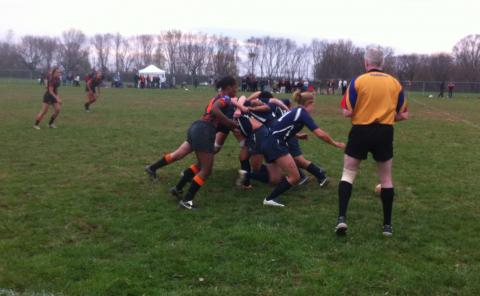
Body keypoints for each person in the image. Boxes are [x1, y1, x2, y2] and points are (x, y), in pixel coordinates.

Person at [336, 45, 409, 237]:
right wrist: (386, 117)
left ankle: (342, 219)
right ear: (382, 63)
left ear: (366, 62)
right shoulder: (395, 83)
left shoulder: (358, 81)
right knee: (386, 178)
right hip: (384, 132)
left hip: (360, 130)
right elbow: (404, 115)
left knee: (348, 173)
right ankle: (387, 226)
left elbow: (347, 112)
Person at [144, 76, 246, 210]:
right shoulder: (225, 98)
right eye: (235, 87)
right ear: (228, 88)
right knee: (206, 170)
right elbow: (215, 110)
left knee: (194, 161)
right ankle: (187, 201)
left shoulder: (220, 97)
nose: (236, 90)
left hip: (197, 128)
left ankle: (177, 188)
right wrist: (230, 122)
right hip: (204, 131)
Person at [237, 91, 345, 207]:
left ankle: (246, 175)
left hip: (269, 142)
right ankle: (269, 199)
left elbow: (278, 126)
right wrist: (335, 143)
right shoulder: (302, 113)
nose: (314, 107)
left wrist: (297, 135)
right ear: (309, 103)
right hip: (275, 144)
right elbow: (320, 134)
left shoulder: (295, 111)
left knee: (276, 178)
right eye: (313, 104)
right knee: (294, 177)